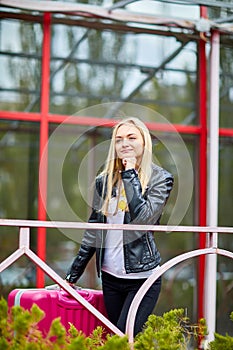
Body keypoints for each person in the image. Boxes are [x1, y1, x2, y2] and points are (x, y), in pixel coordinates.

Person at [65, 117, 174, 336]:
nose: (124, 143)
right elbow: (94, 230)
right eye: (118, 139)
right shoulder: (103, 181)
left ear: (144, 142)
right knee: (114, 337)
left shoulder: (160, 179)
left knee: (126, 336)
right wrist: (72, 276)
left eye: (131, 138)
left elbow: (143, 219)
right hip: (110, 278)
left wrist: (130, 173)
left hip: (143, 277)